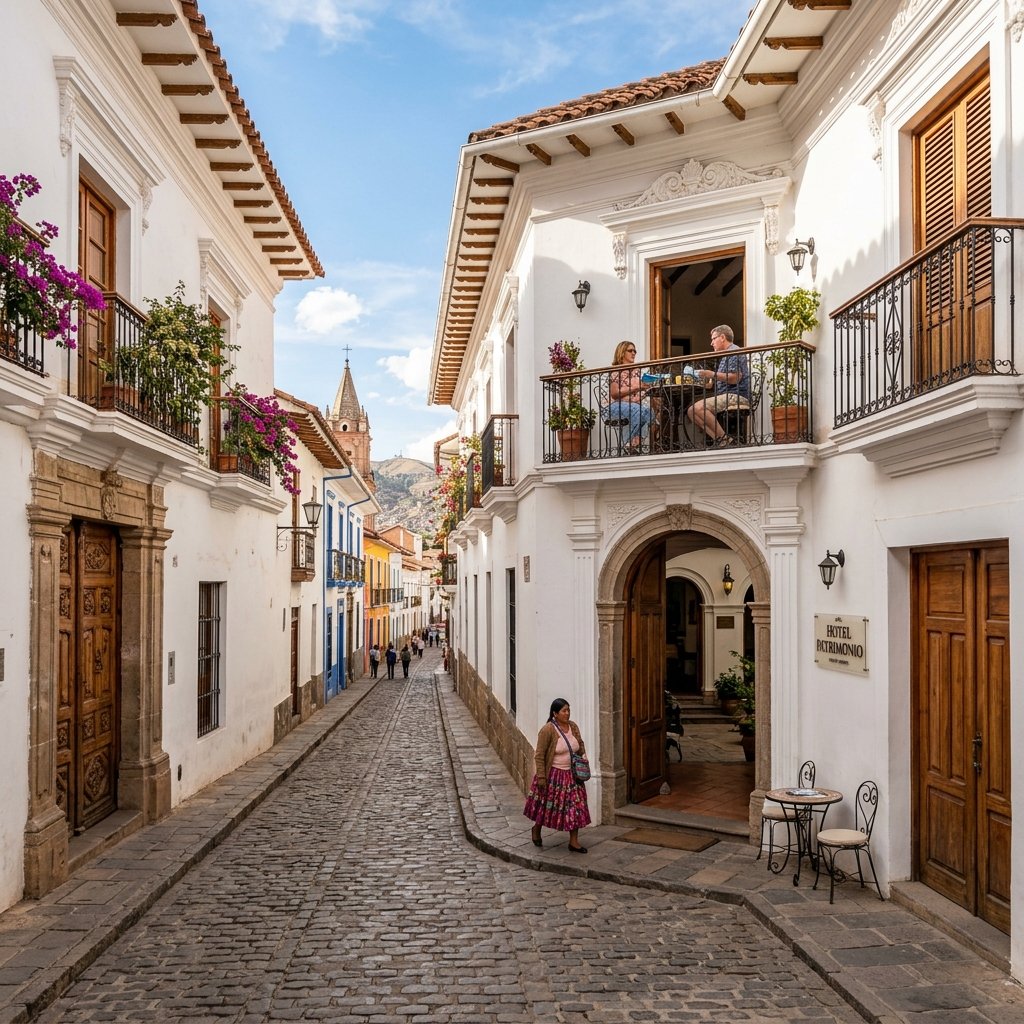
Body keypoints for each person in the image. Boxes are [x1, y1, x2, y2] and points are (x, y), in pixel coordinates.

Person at [523, 698, 591, 853]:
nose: (567, 713)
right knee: (546, 807)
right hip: (554, 776)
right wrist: (541, 778)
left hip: (572, 777)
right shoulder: (548, 730)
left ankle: (573, 842)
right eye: (564, 711)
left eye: (568, 710)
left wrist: (583, 756)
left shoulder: (573, 726)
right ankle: (536, 828)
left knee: (575, 808)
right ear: (555, 713)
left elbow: (579, 744)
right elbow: (539, 755)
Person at [685, 324, 750, 448]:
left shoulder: (733, 351)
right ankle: (721, 440)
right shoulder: (726, 355)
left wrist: (712, 374)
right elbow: (713, 384)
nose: (711, 343)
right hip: (724, 394)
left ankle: (725, 439)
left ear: (722, 337)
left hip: (736, 394)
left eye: (714, 339)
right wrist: (701, 379)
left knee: (698, 408)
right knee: (691, 411)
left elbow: (735, 378)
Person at [603, 340, 655, 449]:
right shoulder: (616, 370)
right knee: (638, 410)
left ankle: (634, 444)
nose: (634, 353)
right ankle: (628, 444)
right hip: (614, 406)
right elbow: (614, 394)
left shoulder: (637, 371)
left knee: (649, 413)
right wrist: (636, 387)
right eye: (630, 350)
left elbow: (639, 394)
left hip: (633, 405)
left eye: (635, 351)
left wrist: (647, 389)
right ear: (622, 353)